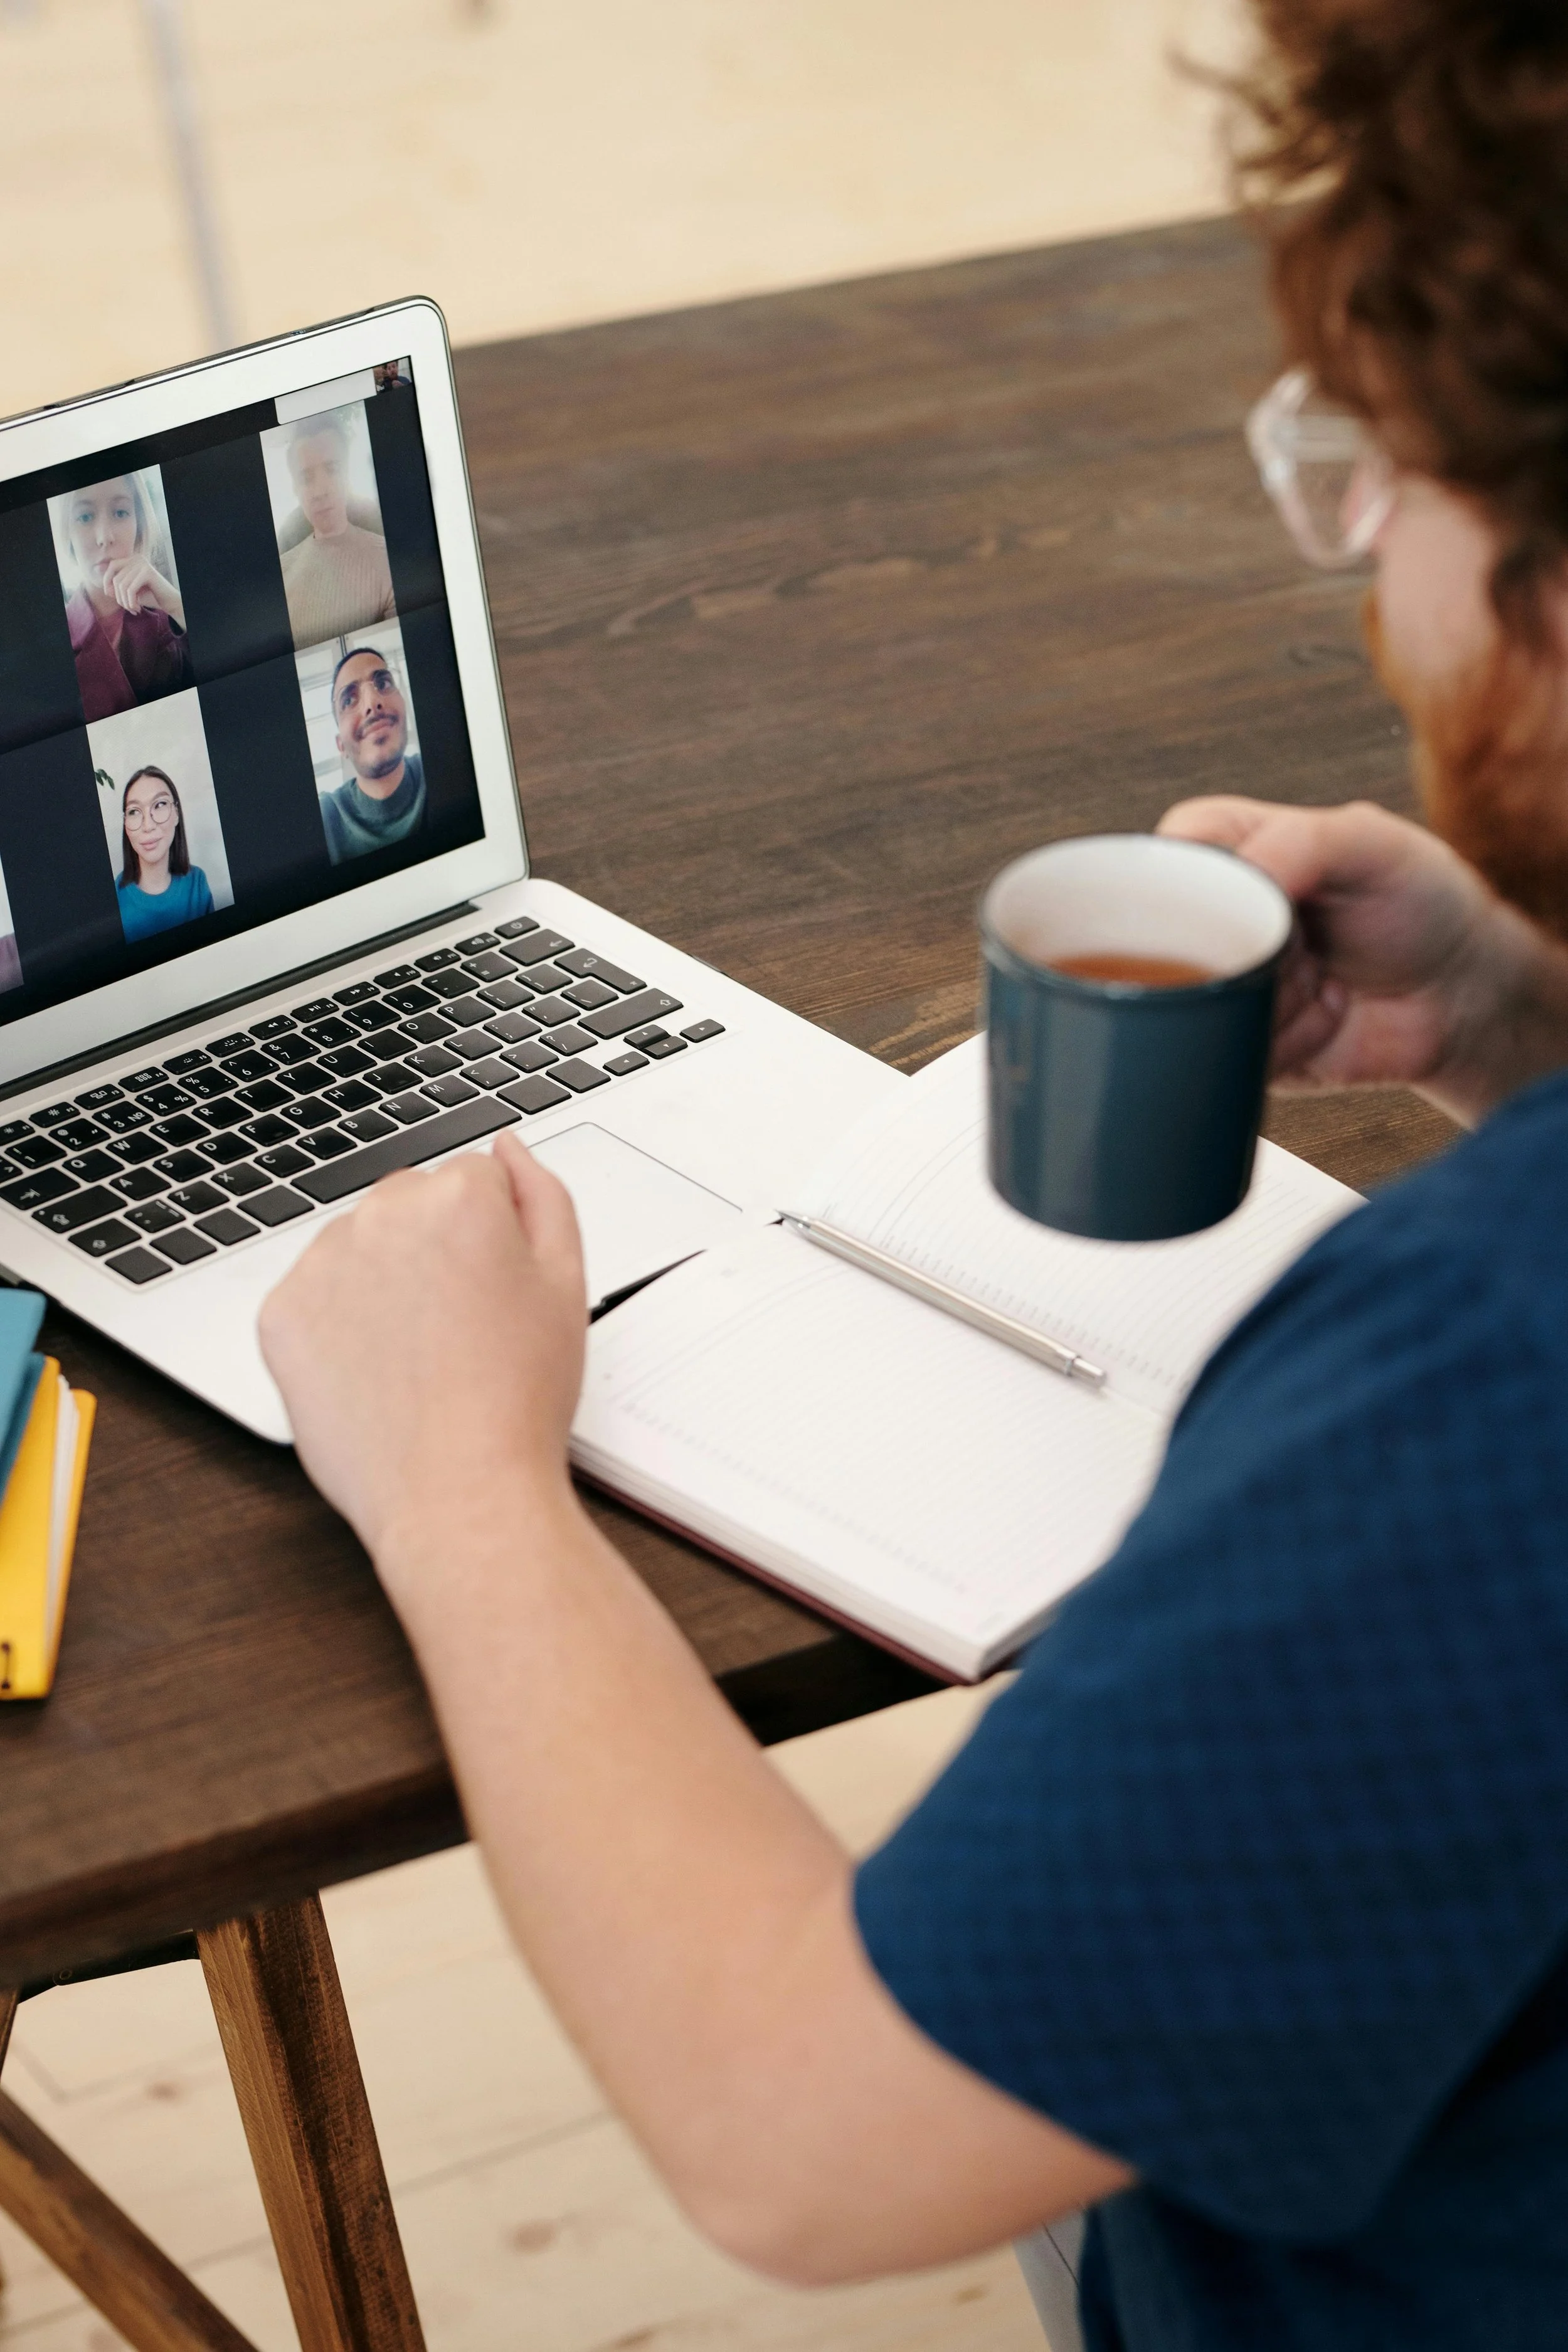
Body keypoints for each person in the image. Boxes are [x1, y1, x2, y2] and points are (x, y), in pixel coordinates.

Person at [260, 5, 1568, 2346]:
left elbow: (805, 2117)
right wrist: (1522, 1019)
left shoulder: (1487, 1372)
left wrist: (460, 1480)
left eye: (1394, 474)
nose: (1373, 551)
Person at [57, 475, 191, 724]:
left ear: (139, 524)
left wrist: (174, 603)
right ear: (69, 534)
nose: (104, 537)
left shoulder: (168, 616)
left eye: (120, 513)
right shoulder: (51, 640)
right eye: (85, 517)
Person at [278, 413, 396, 647]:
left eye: (332, 469)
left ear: (347, 474)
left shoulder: (388, 559)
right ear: (295, 488)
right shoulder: (280, 572)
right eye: (306, 477)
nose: (320, 491)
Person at [317, 647, 426, 864]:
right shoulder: (324, 819)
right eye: (348, 700)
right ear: (341, 747)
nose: (372, 704)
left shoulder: (446, 767)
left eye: (384, 683)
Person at [115, 766, 215, 943]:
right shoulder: (115, 896)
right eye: (134, 812)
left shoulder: (197, 882)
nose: (148, 826)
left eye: (160, 804)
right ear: (125, 824)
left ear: (176, 813)